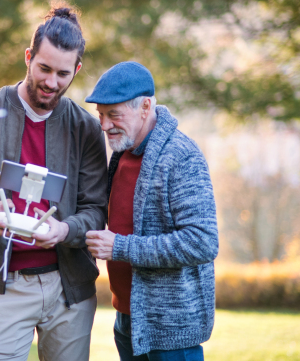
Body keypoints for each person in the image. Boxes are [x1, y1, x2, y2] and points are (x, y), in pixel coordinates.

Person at [0, 2, 108, 361]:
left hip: (69, 289)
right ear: (28, 57)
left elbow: (96, 210)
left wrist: (64, 231)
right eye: (44, 68)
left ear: (76, 69)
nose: (51, 82)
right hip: (2, 286)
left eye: (63, 74)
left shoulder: (86, 128)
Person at [84, 61, 219, 361]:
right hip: (128, 321)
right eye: (101, 116)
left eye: (114, 115)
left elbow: (203, 242)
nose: (105, 125)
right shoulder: (122, 154)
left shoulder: (182, 156)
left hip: (170, 333)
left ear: (145, 107)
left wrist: (120, 247)